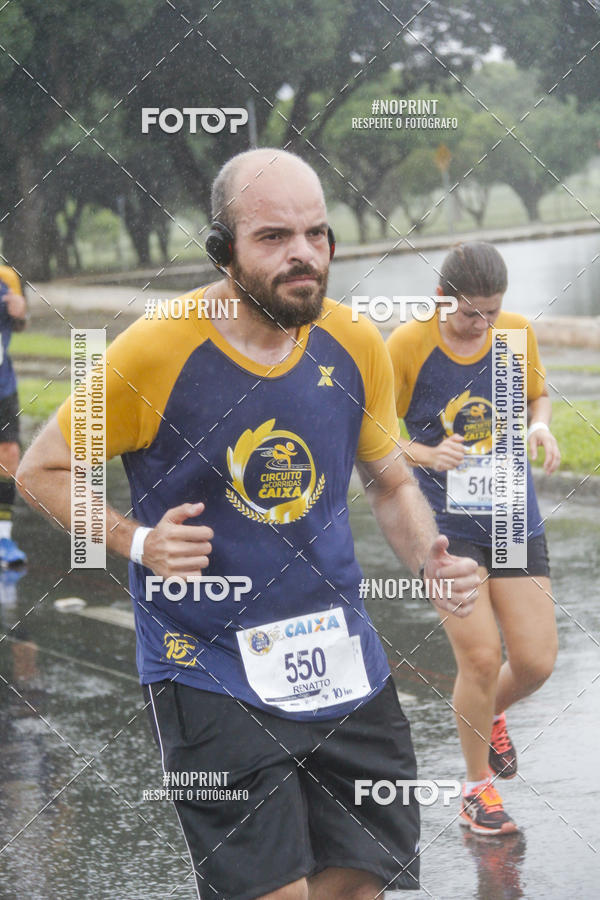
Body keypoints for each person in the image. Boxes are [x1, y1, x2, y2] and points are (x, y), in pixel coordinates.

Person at [17, 149, 479, 900]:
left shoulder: (356, 343)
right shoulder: (155, 350)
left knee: (361, 881)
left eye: (316, 233)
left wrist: (430, 556)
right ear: (221, 250)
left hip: (342, 663)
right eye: (273, 236)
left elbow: (391, 479)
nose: (303, 253)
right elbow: (42, 468)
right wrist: (138, 542)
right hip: (208, 668)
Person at [386, 242, 559, 836]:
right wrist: (426, 453)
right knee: (482, 658)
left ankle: (489, 713)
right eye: (469, 313)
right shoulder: (407, 345)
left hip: (512, 517)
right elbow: (371, 431)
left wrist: (539, 426)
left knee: (534, 661)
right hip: (445, 528)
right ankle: (475, 790)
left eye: (492, 311)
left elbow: (538, 394)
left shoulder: (514, 333)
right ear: (441, 299)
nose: (482, 324)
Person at [0, 265, 27, 566]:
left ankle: (3, 538)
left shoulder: (6, 277)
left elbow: (19, 324)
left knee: (8, 455)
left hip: (2, 386)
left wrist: (20, 313)